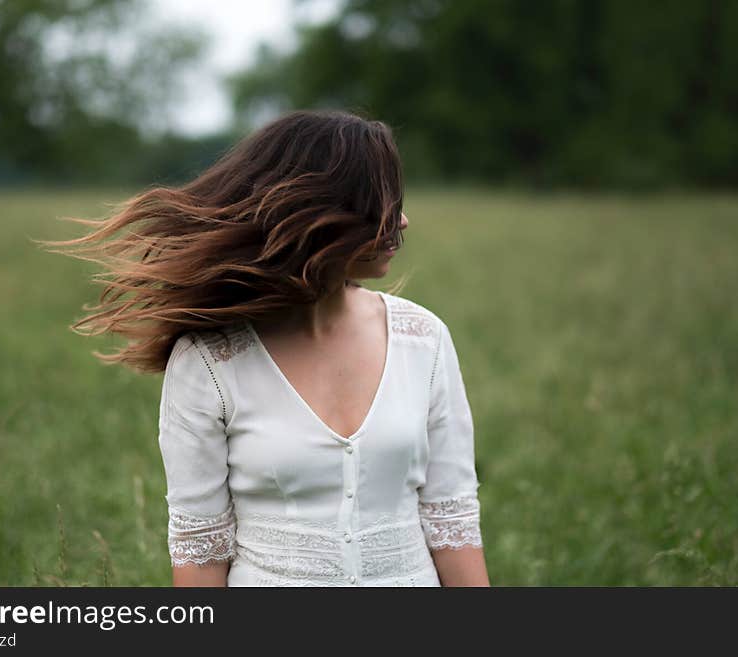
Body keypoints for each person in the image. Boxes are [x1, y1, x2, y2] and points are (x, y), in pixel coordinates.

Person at [39, 108, 490, 586]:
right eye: (381, 202)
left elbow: (453, 522)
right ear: (322, 214)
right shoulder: (210, 362)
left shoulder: (424, 340)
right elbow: (201, 554)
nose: (402, 219)